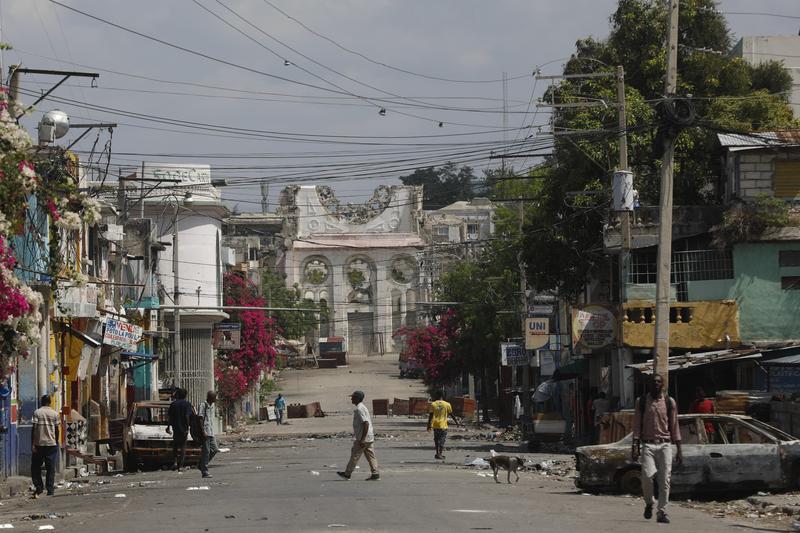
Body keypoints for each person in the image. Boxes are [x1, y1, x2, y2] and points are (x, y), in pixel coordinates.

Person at [632, 374, 683, 524]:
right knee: (647, 477)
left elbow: (674, 426)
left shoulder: (669, 402)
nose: (656, 384)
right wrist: (635, 446)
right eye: (653, 382)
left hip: (665, 444)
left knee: (665, 479)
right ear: (649, 384)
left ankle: (662, 511)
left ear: (662, 385)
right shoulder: (641, 401)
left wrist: (679, 449)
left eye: (658, 382)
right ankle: (649, 502)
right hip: (647, 444)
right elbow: (637, 425)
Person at [337, 390, 379, 481]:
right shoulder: (362, 407)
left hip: (363, 438)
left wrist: (362, 439)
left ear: (357, 398)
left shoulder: (360, 409)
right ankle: (375, 473)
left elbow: (366, 423)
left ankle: (347, 474)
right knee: (371, 456)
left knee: (355, 455)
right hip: (369, 437)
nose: (351, 399)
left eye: (353, 397)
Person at [31, 394, 60, 498]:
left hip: (39, 444)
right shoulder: (55, 414)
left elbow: (34, 429)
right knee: (50, 468)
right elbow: (57, 429)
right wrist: (56, 441)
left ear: (41, 402)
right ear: (50, 402)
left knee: (35, 467)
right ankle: (50, 489)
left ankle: (39, 487)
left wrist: (33, 444)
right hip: (51, 444)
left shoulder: (37, 413)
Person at [166, 388, 193, 472]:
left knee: (175, 446)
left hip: (175, 428)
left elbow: (170, 417)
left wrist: (168, 427)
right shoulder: (187, 404)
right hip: (183, 429)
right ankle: (180, 466)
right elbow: (187, 416)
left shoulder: (173, 404)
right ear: (185, 395)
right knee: (183, 447)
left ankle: (175, 463)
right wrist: (187, 427)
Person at [197, 390, 219, 478]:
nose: (215, 399)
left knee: (214, 449)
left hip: (211, 432)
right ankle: (204, 471)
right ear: (210, 397)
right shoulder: (203, 405)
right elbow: (200, 418)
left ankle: (201, 465)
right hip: (205, 432)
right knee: (206, 452)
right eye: (214, 397)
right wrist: (203, 431)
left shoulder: (211, 406)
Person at [427, 390, 453, 460]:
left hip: (435, 425)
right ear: (443, 395)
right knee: (442, 440)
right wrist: (457, 422)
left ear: (436, 396)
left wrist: (428, 425)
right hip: (443, 426)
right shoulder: (447, 404)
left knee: (436, 439)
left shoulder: (433, 404)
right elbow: (451, 414)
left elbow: (431, 416)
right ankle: (440, 454)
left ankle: (437, 453)